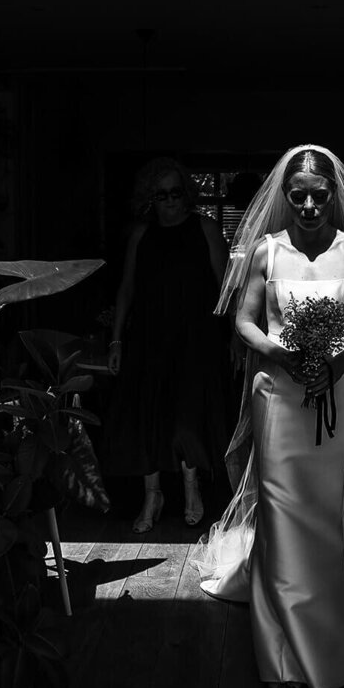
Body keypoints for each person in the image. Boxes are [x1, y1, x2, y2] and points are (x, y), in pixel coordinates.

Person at [193, 145, 344, 688]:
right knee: (284, 515)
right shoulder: (265, 250)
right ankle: (283, 651)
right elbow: (243, 321)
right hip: (279, 399)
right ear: (284, 197)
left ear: (335, 195)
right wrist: (282, 354)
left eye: (319, 195)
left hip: (343, 395)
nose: (309, 205)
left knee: (342, 514)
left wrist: (338, 362)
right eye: (298, 196)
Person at [105, 157, 228, 533]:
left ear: (187, 194)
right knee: (149, 417)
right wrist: (116, 339)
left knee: (186, 419)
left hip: (195, 339)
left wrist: (234, 338)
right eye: (163, 194)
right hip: (148, 339)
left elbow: (227, 288)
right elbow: (126, 289)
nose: (171, 200)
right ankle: (152, 495)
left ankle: (192, 492)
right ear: (151, 198)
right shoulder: (142, 235)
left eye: (177, 192)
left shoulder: (205, 228)